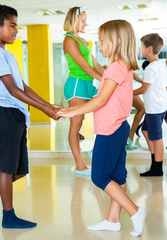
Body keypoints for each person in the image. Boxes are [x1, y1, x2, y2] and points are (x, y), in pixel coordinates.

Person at [0, 4, 60, 228]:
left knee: (19, 170)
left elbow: (23, 87)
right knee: (7, 168)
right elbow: (13, 91)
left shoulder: (6, 55)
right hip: (6, 114)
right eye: (11, 26)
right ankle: (8, 217)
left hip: (16, 115)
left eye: (16, 26)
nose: (16, 31)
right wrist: (44, 109)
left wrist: (47, 104)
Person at [58, 19, 146, 237]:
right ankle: (112, 220)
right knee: (118, 177)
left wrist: (70, 111)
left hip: (110, 130)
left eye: (102, 41)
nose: (99, 45)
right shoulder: (119, 66)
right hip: (118, 127)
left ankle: (134, 211)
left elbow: (100, 100)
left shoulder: (116, 67)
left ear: (117, 42)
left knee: (99, 177)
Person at [63, 7, 105, 175]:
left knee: (104, 113)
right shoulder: (69, 40)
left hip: (87, 84)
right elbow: (84, 66)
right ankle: (80, 165)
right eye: (83, 20)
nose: (85, 23)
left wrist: (109, 75)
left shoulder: (83, 41)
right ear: (74, 20)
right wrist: (103, 80)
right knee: (76, 124)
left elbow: (95, 64)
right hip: (77, 84)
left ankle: (95, 151)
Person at [134, 33, 167, 177]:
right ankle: (155, 161)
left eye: (142, 46)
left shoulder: (151, 67)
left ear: (150, 48)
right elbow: (146, 85)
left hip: (155, 107)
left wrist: (125, 93)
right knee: (145, 131)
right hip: (157, 105)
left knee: (157, 138)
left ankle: (157, 168)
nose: (140, 49)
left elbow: (143, 89)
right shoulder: (157, 65)